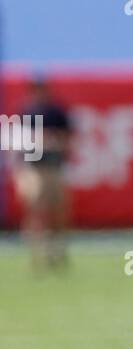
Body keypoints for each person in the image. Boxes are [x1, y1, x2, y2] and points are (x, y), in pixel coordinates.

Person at [13, 76, 73, 269]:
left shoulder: (56, 112)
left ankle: (57, 250)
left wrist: (53, 140)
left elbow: (68, 137)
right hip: (33, 168)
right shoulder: (26, 113)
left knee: (58, 211)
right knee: (35, 209)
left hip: (54, 168)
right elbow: (17, 142)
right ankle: (37, 254)